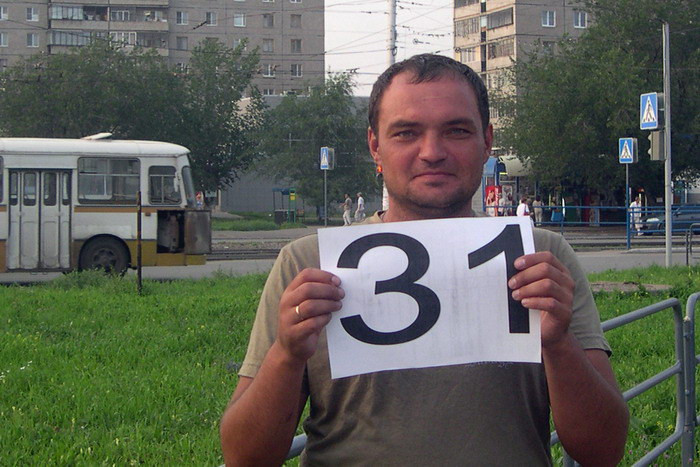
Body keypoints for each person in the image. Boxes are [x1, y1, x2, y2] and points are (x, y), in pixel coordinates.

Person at [220, 54, 628, 466]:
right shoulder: (307, 262)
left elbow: (604, 451)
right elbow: (244, 457)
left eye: (456, 131)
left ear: (487, 142)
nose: (432, 152)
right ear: (375, 146)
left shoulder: (540, 258)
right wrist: (286, 356)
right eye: (406, 133)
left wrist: (559, 344)